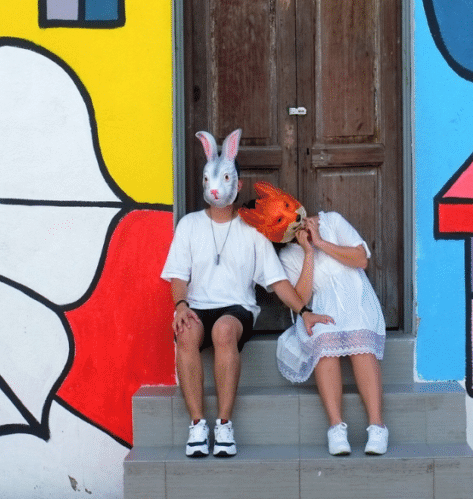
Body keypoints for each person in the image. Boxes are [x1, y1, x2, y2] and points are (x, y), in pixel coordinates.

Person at [161, 130, 332, 458]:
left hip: (236, 310)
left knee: (224, 331)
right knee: (186, 332)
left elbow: (276, 279)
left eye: (225, 178)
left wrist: (305, 310)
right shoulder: (189, 225)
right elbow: (178, 276)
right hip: (196, 305)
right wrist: (180, 306)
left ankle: (223, 425)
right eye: (210, 178)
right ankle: (198, 425)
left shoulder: (251, 229)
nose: (216, 185)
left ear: (237, 185)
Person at [239, 182, 388, 456]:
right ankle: (336, 427)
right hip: (323, 304)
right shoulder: (288, 256)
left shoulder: (332, 221)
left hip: (356, 295)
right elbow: (302, 299)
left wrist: (320, 242)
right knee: (323, 340)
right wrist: (308, 252)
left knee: (361, 342)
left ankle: (377, 426)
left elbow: (360, 259)